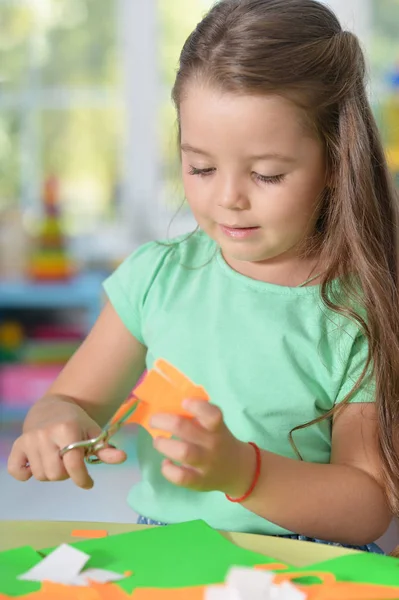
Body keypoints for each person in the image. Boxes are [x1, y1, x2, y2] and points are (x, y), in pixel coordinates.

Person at [8, 0, 399, 553]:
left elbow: (368, 507)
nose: (227, 198)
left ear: (337, 160)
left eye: (266, 174)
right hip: (169, 555)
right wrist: (52, 425)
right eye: (202, 168)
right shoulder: (157, 278)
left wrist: (242, 471)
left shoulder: (353, 312)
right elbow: (75, 400)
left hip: (307, 561)